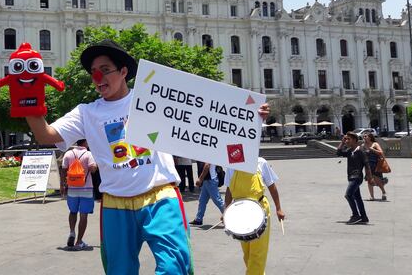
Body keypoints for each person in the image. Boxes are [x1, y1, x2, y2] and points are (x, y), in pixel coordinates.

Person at [23, 38, 271, 274]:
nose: (97, 76)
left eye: (105, 69)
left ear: (123, 72)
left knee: (175, 268)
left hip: (160, 196)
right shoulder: (86, 113)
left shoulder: (155, 96)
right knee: (120, 271)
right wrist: (28, 98)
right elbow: (46, 135)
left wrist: (249, 117)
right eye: (93, 71)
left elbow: (208, 121)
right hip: (115, 203)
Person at [224, 157, 285, 275]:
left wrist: (279, 208)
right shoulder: (232, 165)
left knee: (258, 253)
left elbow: (272, 186)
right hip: (240, 213)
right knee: (247, 253)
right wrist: (226, 211)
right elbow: (229, 190)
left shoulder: (261, 162)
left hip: (260, 211)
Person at [61, 139, 97, 250]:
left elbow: (63, 170)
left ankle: (72, 232)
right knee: (83, 214)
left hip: (72, 188)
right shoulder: (88, 154)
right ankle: (79, 241)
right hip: (86, 189)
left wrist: (62, 184)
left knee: (72, 211)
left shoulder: (68, 153)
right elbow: (93, 169)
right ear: (85, 143)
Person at [336, 132, 373, 224]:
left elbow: (367, 164)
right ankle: (364, 217)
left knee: (348, 195)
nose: (347, 141)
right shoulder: (350, 151)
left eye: (348, 139)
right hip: (351, 177)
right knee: (358, 198)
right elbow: (338, 152)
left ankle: (356, 215)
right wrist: (342, 142)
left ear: (355, 140)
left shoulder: (360, 150)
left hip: (357, 177)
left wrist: (370, 177)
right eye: (346, 139)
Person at [189, 161, 224, 226]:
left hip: (211, 180)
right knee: (202, 200)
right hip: (207, 180)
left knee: (217, 200)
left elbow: (207, 166)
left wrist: (200, 179)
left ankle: (229, 217)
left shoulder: (209, 152)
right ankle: (198, 219)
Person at [361, 133, 387, 201]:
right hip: (367, 165)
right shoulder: (363, 145)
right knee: (369, 180)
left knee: (377, 180)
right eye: (363, 136)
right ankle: (372, 196)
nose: (364, 137)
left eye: (365, 136)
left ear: (370, 137)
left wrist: (372, 149)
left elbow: (381, 152)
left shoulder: (375, 144)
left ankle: (383, 192)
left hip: (376, 164)